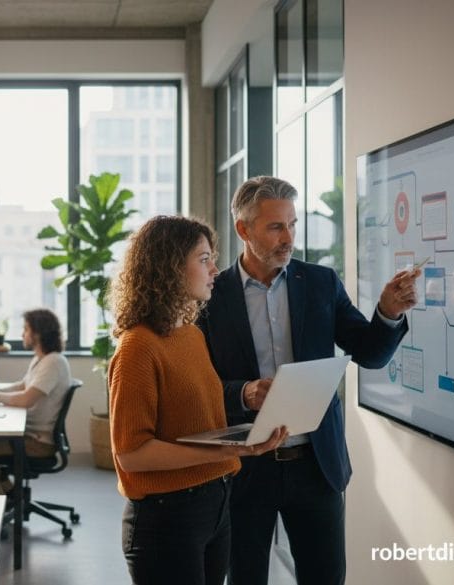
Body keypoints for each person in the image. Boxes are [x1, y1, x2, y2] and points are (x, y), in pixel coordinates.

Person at [197, 176, 418, 585]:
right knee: (244, 577)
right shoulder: (212, 296)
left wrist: (387, 313)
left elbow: (368, 353)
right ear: (243, 229)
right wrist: (243, 393)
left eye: (293, 224)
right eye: (276, 226)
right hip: (245, 467)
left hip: (315, 467)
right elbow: (200, 387)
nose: (289, 237)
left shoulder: (320, 283)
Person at [109, 215, 287, 585]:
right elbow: (131, 452)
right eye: (204, 259)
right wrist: (225, 451)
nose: (215, 270)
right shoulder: (137, 348)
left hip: (215, 502)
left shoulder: (191, 335)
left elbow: (199, 418)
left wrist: (246, 437)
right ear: (170, 268)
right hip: (167, 516)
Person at [0, 308, 72, 499]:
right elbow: (22, 385)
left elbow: (26, 399)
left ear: (38, 333)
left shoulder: (53, 362)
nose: (22, 334)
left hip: (38, 443)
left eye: (26, 329)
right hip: (29, 434)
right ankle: (11, 495)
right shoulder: (41, 358)